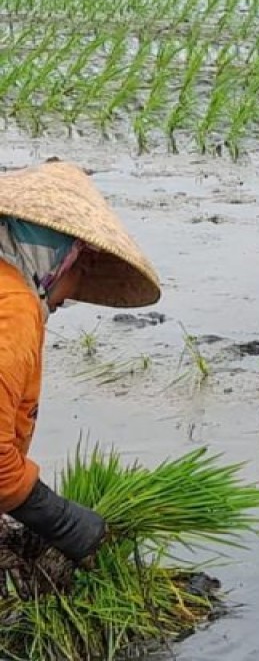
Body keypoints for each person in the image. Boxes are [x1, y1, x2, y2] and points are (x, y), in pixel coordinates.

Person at [0, 162, 162, 569]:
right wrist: (63, 520)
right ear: (57, 259)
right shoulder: (13, 305)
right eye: (82, 270)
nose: (66, 300)